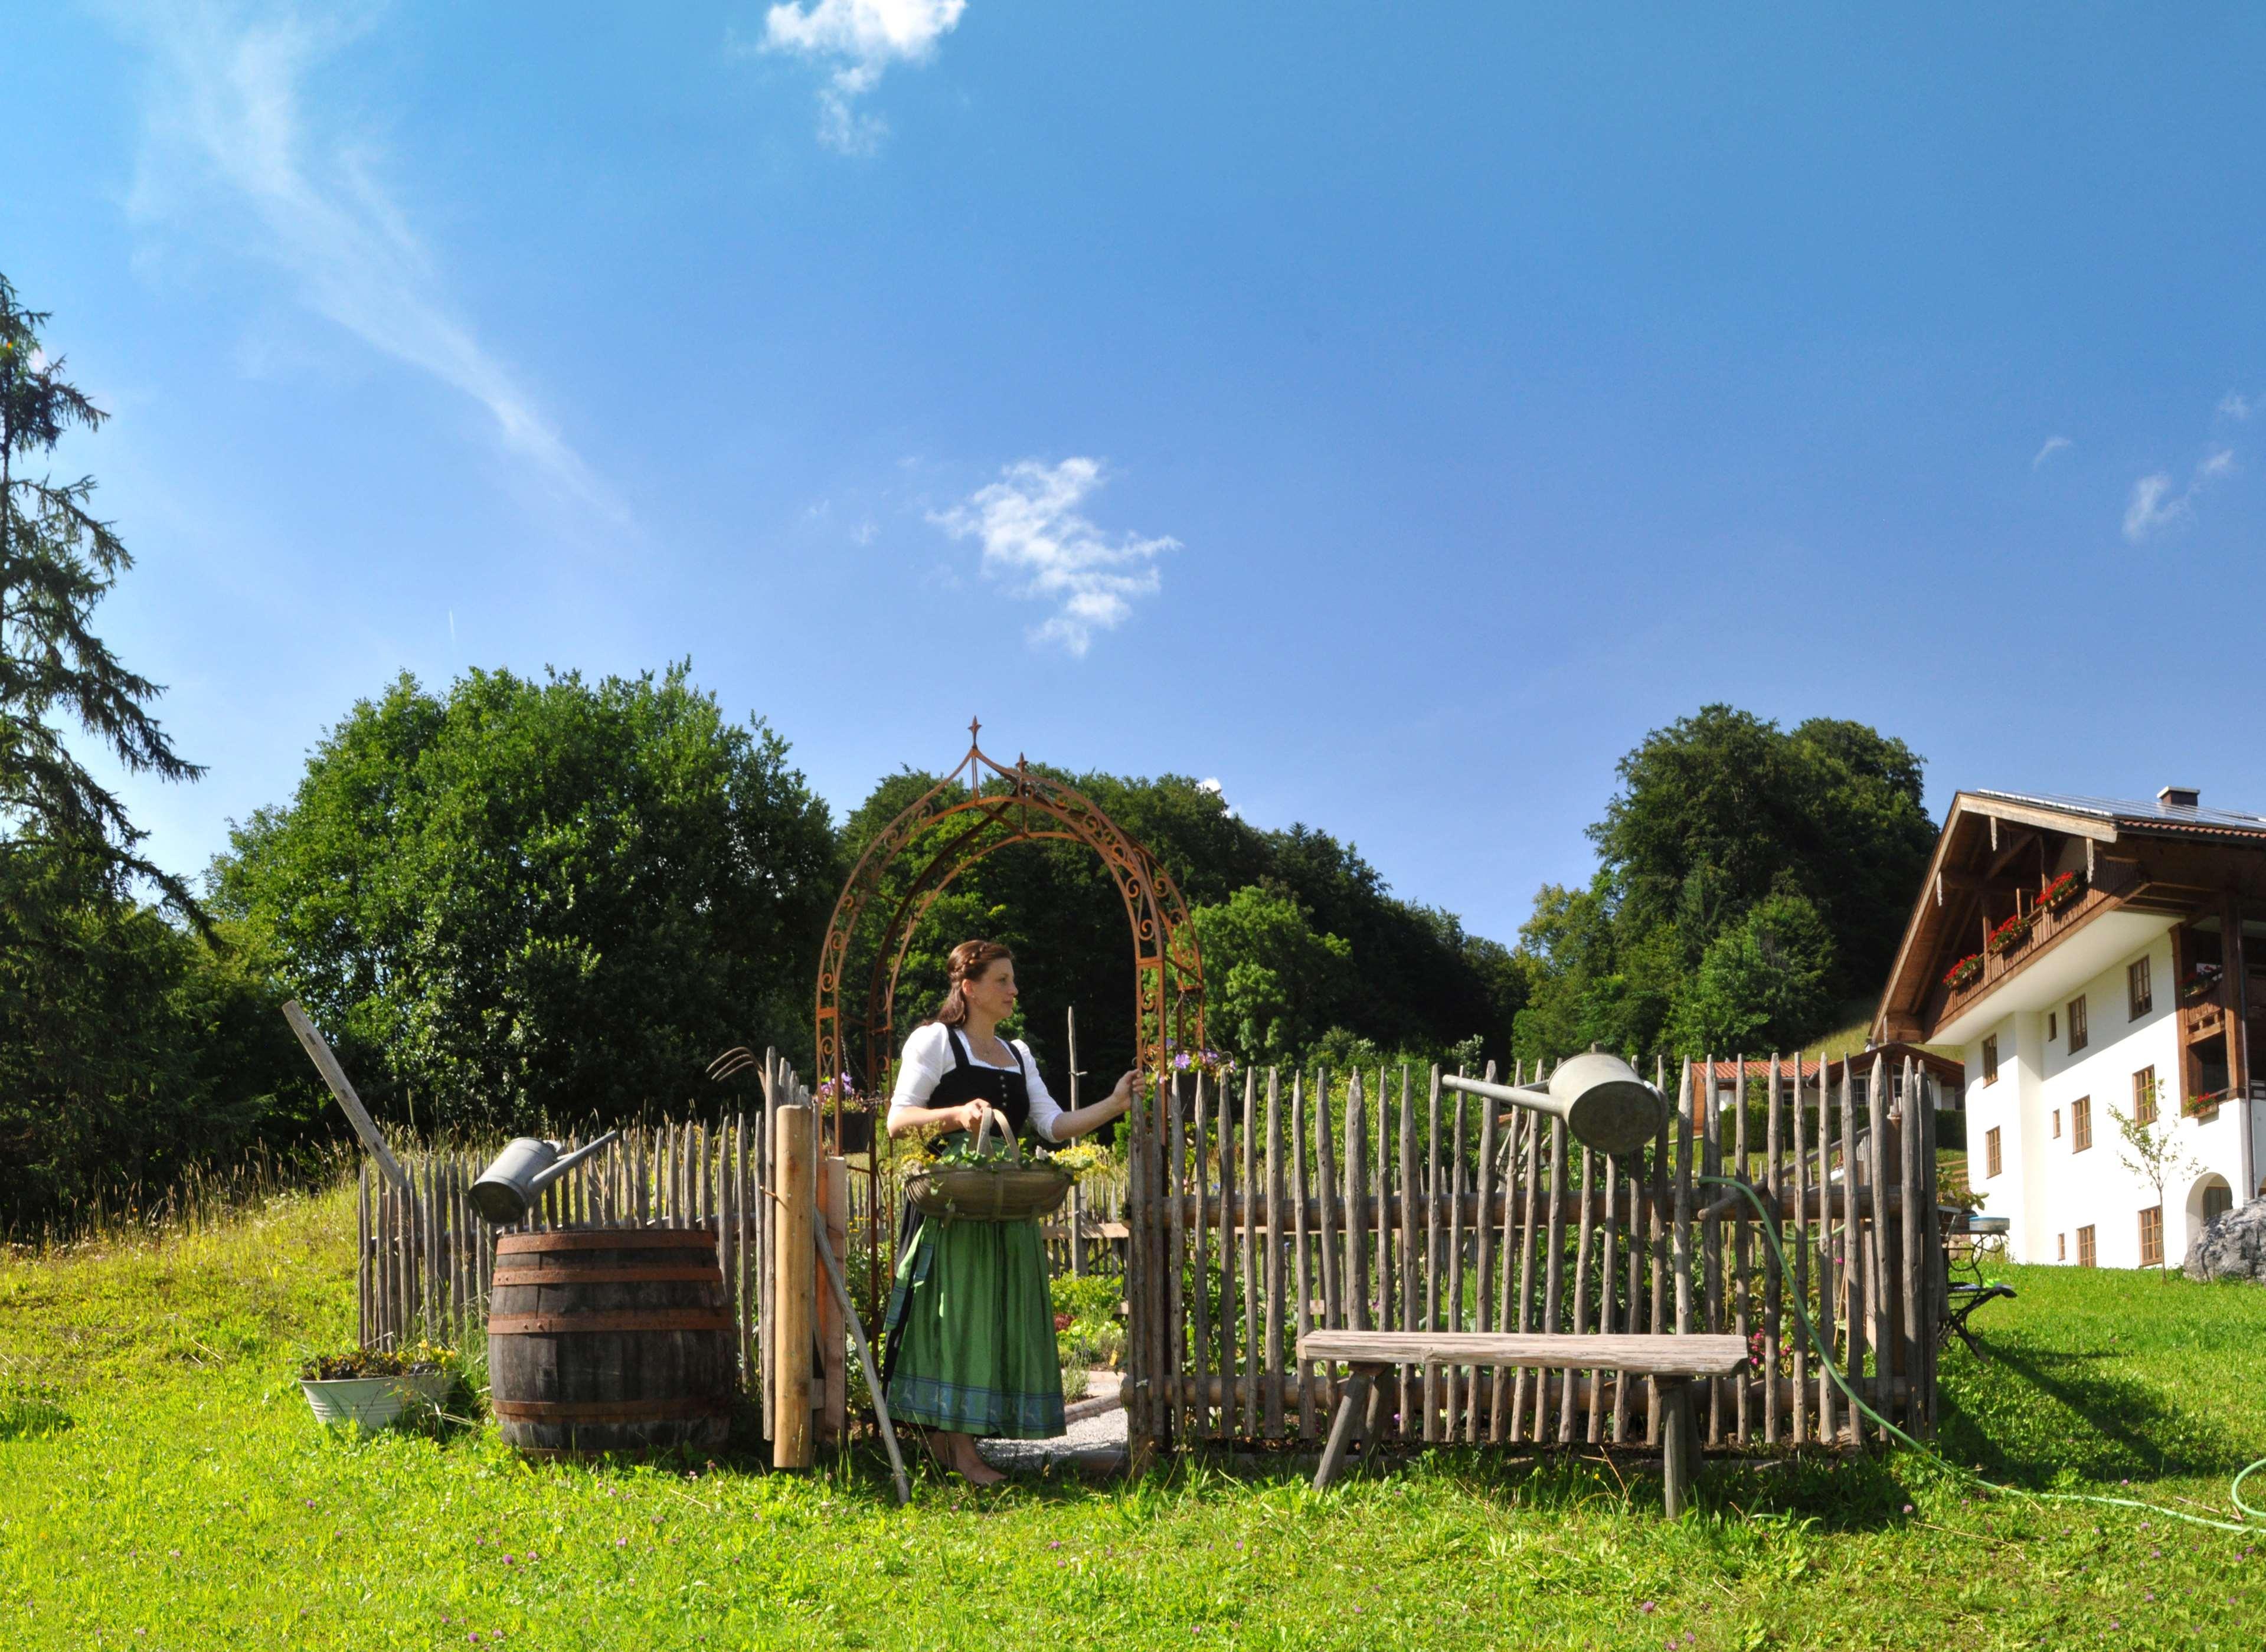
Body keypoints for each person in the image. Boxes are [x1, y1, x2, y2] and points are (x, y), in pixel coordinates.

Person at [881, 939, 1135, 1485]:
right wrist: (956, 1113)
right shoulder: (935, 1041)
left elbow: (1052, 1125)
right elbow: (897, 1121)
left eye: (1013, 980)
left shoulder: (1018, 1052)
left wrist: (1114, 1103)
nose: (1014, 990)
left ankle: (960, 1448)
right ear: (968, 987)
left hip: (1004, 1205)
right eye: (1002, 980)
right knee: (955, 1322)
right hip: (951, 1204)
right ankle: (962, 1455)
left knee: (991, 1320)